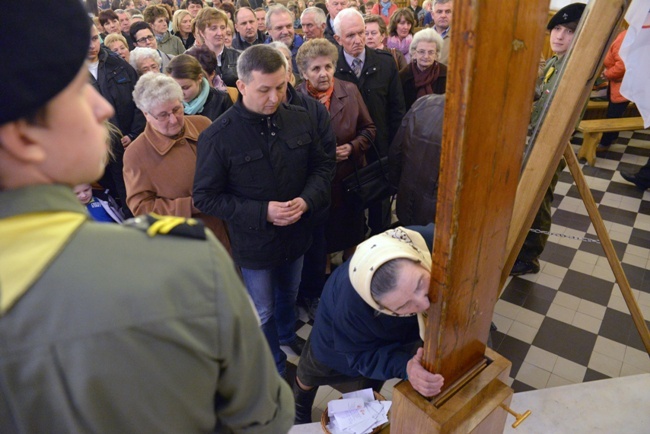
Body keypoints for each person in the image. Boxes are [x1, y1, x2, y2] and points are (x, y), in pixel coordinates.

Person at [0, 0, 294, 431]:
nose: (102, 109)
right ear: (25, 138)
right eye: (77, 90)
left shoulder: (204, 128)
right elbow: (265, 416)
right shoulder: (181, 265)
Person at [193, 45, 335, 378]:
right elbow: (205, 197)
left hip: (297, 234)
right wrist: (263, 212)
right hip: (255, 244)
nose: (274, 97)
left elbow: (323, 165)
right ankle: (273, 360)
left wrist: (308, 199)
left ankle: (288, 335)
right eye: (264, 90)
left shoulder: (301, 118)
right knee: (263, 307)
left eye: (281, 87)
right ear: (241, 86)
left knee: (289, 292)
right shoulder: (218, 137)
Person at [293, 227, 445, 424]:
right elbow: (360, 356)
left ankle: (366, 409)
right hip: (339, 339)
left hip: (399, 330)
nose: (425, 305)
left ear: (417, 258)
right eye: (403, 305)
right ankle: (299, 406)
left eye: (419, 284)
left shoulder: (429, 243)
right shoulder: (350, 306)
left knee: (378, 372)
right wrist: (408, 367)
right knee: (311, 371)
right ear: (379, 307)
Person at [511, 3, 585, 276]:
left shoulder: (576, 68)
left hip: (551, 146)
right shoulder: (555, 62)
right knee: (528, 194)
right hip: (535, 140)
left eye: (569, 31)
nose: (559, 36)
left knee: (539, 199)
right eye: (556, 29)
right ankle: (521, 244)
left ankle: (530, 256)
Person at [123, 72, 231, 250]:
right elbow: (142, 208)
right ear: (146, 114)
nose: (173, 120)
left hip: (234, 229)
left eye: (176, 109)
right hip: (191, 243)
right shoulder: (136, 154)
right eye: (163, 115)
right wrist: (192, 204)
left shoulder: (203, 124)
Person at [270, 41, 338, 321]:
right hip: (276, 207)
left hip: (310, 202)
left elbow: (325, 160)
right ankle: (288, 303)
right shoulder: (255, 110)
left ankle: (311, 295)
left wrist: (307, 198)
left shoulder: (313, 110)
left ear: (289, 74)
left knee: (313, 253)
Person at [296, 38, 376, 259]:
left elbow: (369, 129)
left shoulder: (349, 91)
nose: (324, 73)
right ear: (304, 73)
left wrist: (352, 147)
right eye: (316, 68)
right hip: (314, 185)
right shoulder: (295, 99)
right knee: (321, 243)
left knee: (352, 234)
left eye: (328, 66)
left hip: (349, 180)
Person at [334, 8, 406, 235]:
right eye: (350, 36)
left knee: (381, 218)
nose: (358, 40)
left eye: (361, 33)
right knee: (350, 218)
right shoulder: (332, 68)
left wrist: (396, 152)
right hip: (348, 156)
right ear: (338, 39)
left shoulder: (385, 64)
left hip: (380, 152)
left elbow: (397, 112)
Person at [88, 24, 144, 214]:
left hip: (127, 144)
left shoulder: (118, 65)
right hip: (96, 151)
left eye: (95, 38)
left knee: (134, 194)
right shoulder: (68, 74)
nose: (91, 45)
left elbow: (139, 100)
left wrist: (134, 134)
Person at [389, 94, 444, 226]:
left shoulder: (423, 103)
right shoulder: (479, 122)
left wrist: (397, 188)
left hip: (407, 202)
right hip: (437, 219)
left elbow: (395, 153)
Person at [166, 54, 233, 120]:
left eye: (185, 88)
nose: (180, 93)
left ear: (199, 78)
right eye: (175, 88)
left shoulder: (222, 100)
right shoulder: (168, 103)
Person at [598, 29, 630, 152]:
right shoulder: (624, 35)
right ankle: (613, 137)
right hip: (619, 82)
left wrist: (608, 74)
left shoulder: (623, 37)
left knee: (613, 114)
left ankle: (605, 143)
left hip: (621, 83)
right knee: (615, 111)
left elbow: (622, 65)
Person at [399, 28, 446, 111]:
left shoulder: (446, 75)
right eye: (421, 51)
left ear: (436, 54)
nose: (426, 56)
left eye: (431, 52)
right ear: (414, 53)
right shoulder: (403, 76)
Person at [195, 7, 241, 87]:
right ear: (202, 32)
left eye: (223, 28)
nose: (220, 33)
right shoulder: (193, 59)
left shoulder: (238, 57)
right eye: (214, 28)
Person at [265, 5, 304, 74]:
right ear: (269, 30)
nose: (285, 32)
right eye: (279, 28)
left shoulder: (306, 50)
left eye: (289, 26)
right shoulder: (262, 56)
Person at [429, 0, 452, 65]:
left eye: (447, 12)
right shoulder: (423, 36)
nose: (443, 15)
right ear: (432, 15)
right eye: (439, 12)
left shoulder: (460, 38)